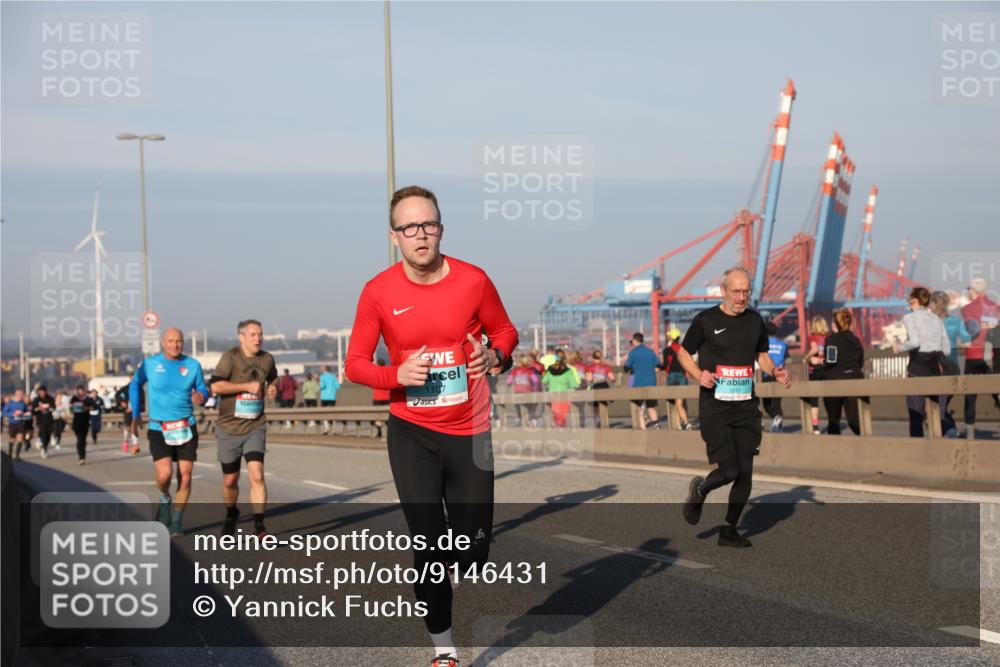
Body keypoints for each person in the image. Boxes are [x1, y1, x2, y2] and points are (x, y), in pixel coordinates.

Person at [344, 185, 517, 667]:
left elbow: (504, 330)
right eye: (409, 227)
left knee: (474, 553)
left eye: (429, 224)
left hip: (470, 431)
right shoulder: (378, 292)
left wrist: (495, 353)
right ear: (394, 235)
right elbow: (355, 364)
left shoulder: (473, 280)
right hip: (412, 433)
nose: (421, 235)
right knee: (429, 544)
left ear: (441, 227)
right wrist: (394, 375)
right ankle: (444, 650)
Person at [679, 267, 791, 548]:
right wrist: (698, 374)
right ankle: (701, 489)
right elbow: (683, 353)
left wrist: (775, 371)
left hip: (745, 406)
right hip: (715, 406)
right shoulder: (705, 321)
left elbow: (762, 357)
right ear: (724, 291)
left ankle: (728, 530)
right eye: (736, 291)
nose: (741, 297)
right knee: (728, 471)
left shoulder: (755, 321)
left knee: (745, 472)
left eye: (746, 292)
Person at [130, 328, 208, 536]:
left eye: (179, 341)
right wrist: (136, 412)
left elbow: (203, 388)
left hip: (185, 426)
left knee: (186, 476)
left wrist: (201, 395)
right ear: (163, 343)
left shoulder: (192, 365)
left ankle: (176, 521)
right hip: (159, 427)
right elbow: (135, 384)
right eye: (171, 341)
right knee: (164, 475)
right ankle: (165, 497)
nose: (175, 345)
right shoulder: (150, 364)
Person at [208, 319, 278, 538]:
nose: (258, 339)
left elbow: (273, 378)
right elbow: (216, 385)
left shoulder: (267, 359)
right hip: (228, 427)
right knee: (230, 480)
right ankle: (231, 513)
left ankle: (259, 525)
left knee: (256, 476)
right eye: (253, 335)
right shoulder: (230, 357)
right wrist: (245, 386)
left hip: (255, 425)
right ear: (242, 337)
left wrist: (273, 388)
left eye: (260, 334)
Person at [893, 287, 950, 438]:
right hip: (936, 370)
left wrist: (900, 347)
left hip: (916, 370)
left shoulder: (909, 318)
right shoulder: (937, 319)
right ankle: (944, 443)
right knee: (938, 417)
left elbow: (915, 342)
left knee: (916, 417)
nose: (909, 305)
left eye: (910, 302)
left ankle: (917, 453)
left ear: (916, 301)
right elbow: (947, 349)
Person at [960, 277, 999, 438]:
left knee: (970, 394)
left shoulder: (967, 309)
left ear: (974, 291)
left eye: (969, 289)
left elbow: (972, 331)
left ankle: (970, 433)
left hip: (974, 355)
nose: (968, 292)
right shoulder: (996, 307)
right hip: (993, 355)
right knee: (997, 391)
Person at [821, 310, 865, 435]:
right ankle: (866, 445)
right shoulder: (856, 340)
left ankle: (836, 451)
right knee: (854, 421)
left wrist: (820, 362)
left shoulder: (831, 340)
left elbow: (830, 361)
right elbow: (859, 363)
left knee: (834, 422)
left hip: (834, 382)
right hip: (854, 381)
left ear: (836, 323)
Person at [932, 291, 967, 436]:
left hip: (937, 369)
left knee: (937, 410)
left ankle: (952, 435)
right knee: (941, 407)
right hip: (953, 368)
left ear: (934, 304)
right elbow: (966, 340)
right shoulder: (956, 321)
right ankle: (953, 433)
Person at [624, 332, 660, 429]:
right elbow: (659, 365)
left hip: (638, 383)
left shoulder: (633, 353)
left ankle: (643, 429)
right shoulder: (650, 352)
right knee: (651, 406)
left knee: (640, 408)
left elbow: (626, 368)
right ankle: (656, 425)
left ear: (635, 341)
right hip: (651, 382)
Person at [760, 321, 789, 433]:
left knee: (766, 403)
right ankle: (779, 427)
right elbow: (788, 359)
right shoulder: (783, 344)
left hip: (767, 374)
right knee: (777, 403)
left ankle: (775, 419)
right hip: (780, 375)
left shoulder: (763, 343)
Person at [660, 328, 691, 430]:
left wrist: (659, 368)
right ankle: (679, 424)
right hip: (682, 376)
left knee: (676, 403)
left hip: (672, 377)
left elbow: (665, 365)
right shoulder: (684, 349)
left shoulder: (667, 350)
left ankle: (686, 422)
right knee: (680, 402)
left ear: (671, 337)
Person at [804, 316, 829, 434]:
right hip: (826, 368)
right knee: (827, 397)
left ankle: (815, 426)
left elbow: (814, 349)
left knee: (814, 399)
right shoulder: (828, 338)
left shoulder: (812, 337)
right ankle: (832, 422)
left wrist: (806, 358)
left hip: (815, 370)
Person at [542, 351, 577, 427]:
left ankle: (558, 432)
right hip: (565, 396)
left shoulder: (550, 370)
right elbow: (574, 384)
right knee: (563, 417)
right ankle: (563, 432)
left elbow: (544, 381)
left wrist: (550, 384)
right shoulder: (568, 371)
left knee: (556, 416)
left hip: (553, 396)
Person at [508, 355, 542, 427]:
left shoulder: (515, 371)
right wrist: (535, 389)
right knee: (530, 407)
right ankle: (530, 420)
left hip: (518, 393)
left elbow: (509, 381)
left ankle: (520, 418)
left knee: (518, 406)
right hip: (528, 392)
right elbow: (536, 380)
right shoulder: (530, 371)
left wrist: (510, 384)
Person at [585, 350, 615, 428]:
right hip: (604, 386)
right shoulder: (606, 367)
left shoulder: (590, 367)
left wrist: (592, 379)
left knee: (595, 407)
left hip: (596, 386)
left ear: (593, 357)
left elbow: (589, 379)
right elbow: (612, 378)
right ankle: (605, 422)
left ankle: (597, 421)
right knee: (604, 405)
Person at [69, 385, 95, 464]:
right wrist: (74, 407)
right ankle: (81, 457)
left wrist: (86, 408)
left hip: (85, 422)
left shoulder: (88, 399)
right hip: (76, 422)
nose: (80, 393)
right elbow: (70, 408)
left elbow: (95, 406)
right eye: (79, 391)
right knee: (79, 439)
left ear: (84, 391)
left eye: (82, 391)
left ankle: (82, 455)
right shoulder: (74, 399)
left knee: (83, 440)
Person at [2, 389, 29, 460]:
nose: (21, 396)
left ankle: (17, 455)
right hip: (12, 423)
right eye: (20, 394)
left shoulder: (22, 403)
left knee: (20, 439)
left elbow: (27, 411)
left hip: (20, 423)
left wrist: (26, 414)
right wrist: (13, 414)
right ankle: (10, 454)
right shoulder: (10, 403)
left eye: (22, 395)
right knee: (12, 439)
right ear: (16, 394)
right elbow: (4, 413)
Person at [115, 382, 141, 454]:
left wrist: (136, 407)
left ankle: (135, 445)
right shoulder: (125, 388)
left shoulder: (139, 387)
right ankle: (125, 441)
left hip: (135, 410)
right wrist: (122, 402)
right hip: (127, 411)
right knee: (128, 427)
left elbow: (142, 399)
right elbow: (117, 395)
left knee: (134, 426)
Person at [31, 385, 56, 459]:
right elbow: (33, 409)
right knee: (43, 433)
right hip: (40, 419)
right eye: (40, 391)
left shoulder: (50, 398)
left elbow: (53, 407)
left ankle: (44, 446)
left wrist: (48, 408)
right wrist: (38, 409)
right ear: (38, 392)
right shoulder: (36, 399)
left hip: (49, 419)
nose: (42, 393)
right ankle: (42, 446)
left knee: (48, 435)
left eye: (43, 391)